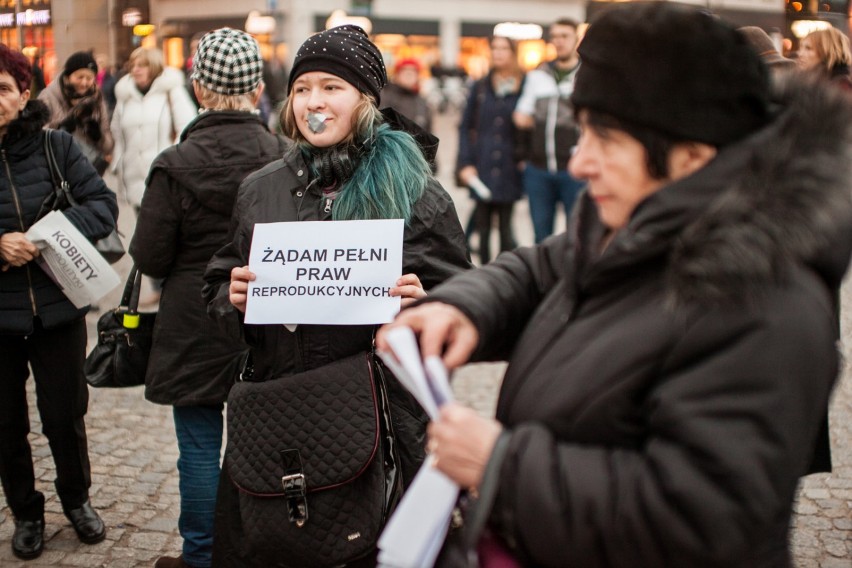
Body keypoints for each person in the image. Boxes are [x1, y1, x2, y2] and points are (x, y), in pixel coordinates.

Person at [377, 4, 852, 566]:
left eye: (605, 139)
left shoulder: (768, 303)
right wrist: (465, 307)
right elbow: (539, 269)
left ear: (690, 155)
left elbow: (698, 519)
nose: (579, 163)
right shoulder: (634, 213)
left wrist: (500, 464)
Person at [202, 24, 471, 567]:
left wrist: (427, 305)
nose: (313, 102)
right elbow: (218, 284)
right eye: (302, 88)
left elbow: (463, 297)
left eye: (331, 87)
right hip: (282, 413)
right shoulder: (261, 188)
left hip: (384, 421)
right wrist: (231, 298)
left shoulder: (415, 191)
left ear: (366, 100)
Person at [128, 28, 287, 568]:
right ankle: (251, 551)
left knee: (196, 449)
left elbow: (149, 257)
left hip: (192, 321)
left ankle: (200, 557)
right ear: (259, 86)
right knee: (260, 448)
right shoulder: (285, 159)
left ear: (199, 87)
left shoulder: (175, 164)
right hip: (264, 321)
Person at [0, 44, 118, 561]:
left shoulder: (55, 147)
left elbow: (103, 207)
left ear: (23, 93)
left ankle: (77, 500)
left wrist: (47, 236)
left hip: (58, 310)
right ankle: (26, 512)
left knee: (65, 414)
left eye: (3, 88)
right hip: (0, 320)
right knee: (5, 424)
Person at [512, 18, 584, 244]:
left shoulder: (586, 75)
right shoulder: (537, 75)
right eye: (555, 37)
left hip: (574, 170)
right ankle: (545, 281)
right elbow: (520, 116)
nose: (559, 42)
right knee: (541, 238)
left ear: (576, 39)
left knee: (577, 236)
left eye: (565, 36)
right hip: (539, 170)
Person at [456, 35, 525, 265]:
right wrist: (465, 163)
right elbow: (465, 126)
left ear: (513, 53)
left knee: (506, 227)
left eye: (504, 48)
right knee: (482, 228)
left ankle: (505, 275)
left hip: (509, 164)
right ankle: (483, 275)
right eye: (494, 48)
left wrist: (525, 158)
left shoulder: (524, 84)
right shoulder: (481, 86)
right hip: (482, 162)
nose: (498, 53)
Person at [111, 46, 196, 213]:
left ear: (154, 67)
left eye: (142, 65)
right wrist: (118, 163)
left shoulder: (172, 92)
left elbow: (187, 130)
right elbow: (117, 134)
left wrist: (175, 163)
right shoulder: (125, 97)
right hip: (133, 177)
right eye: (133, 65)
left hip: (165, 176)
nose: (135, 70)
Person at [39, 51, 114, 175]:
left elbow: (108, 146)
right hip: (58, 170)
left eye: (89, 78)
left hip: (88, 169)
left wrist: (99, 136)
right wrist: (60, 127)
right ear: (68, 76)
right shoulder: (48, 96)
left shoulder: (97, 99)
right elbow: (38, 135)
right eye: (79, 77)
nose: (84, 83)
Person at [380, 58, 433, 135]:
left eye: (412, 72)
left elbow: (428, 132)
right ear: (397, 74)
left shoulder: (421, 102)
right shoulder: (385, 97)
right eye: (405, 72)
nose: (409, 75)